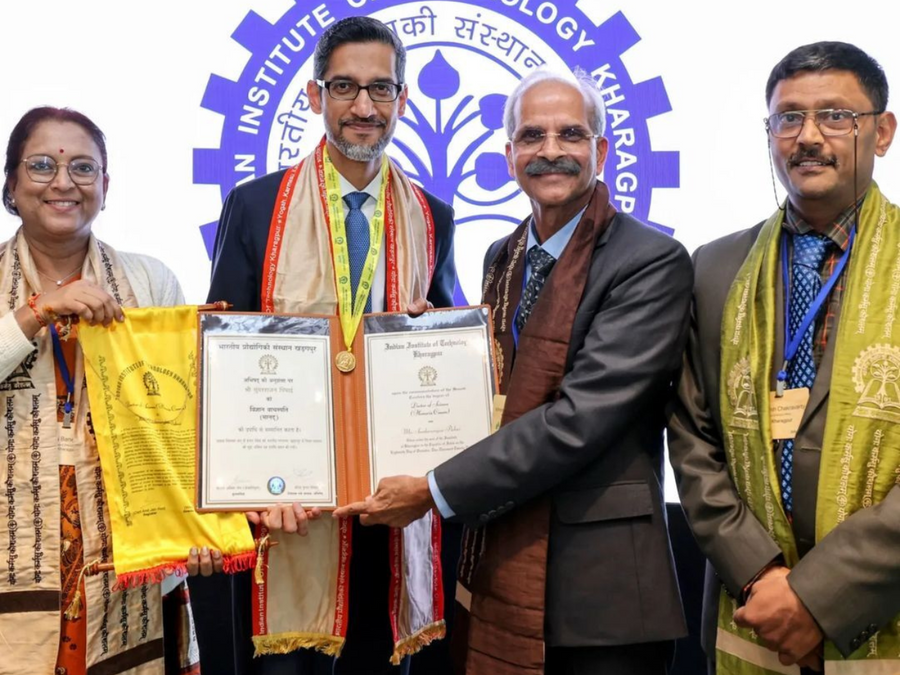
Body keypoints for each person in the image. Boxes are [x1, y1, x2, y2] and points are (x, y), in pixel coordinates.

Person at [334, 67, 692, 675]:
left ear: (600, 151)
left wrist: (432, 488)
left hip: (601, 596)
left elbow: (578, 420)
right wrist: (432, 341)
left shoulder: (650, 262)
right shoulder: (504, 255)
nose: (551, 151)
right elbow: (495, 390)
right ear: (508, 156)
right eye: (532, 137)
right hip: (503, 559)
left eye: (570, 135)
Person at [206, 16, 457, 675]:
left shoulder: (432, 213)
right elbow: (224, 358)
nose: (364, 107)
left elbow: (450, 340)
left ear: (404, 100)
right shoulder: (257, 206)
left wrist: (430, 330)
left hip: (388, 512)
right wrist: (251, 484)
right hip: (287, 510)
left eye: (382, 89)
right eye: (345, 87)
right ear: (315, 97)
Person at [667, 41, 900, 674]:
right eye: (788, 118)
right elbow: (692, 436)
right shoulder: (715, 268)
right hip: (753, 606)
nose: (807, 137)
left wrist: (820, 597)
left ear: (882, 133)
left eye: (836, 116)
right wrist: (762, 574)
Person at [0, 107, 218, 675]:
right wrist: (35, 312)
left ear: (105, 185)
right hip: (17, 553)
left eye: (83, 167)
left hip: (130, 562)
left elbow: (185, 420)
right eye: (43, 165)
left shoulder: (150, 280)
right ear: (12, 183)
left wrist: (200, 522)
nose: (64, 182)